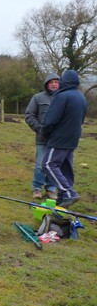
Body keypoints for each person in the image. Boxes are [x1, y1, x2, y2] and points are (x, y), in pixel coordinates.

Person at [41, 69, 87, 207]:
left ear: (64, 81)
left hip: (59, 138)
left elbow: (50, 120)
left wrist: (44, 133)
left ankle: (68, 193)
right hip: (73, 138)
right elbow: (82, 119)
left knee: (48, 164)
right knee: (65, 167)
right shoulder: (81, 97)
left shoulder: (62, 96)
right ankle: (62, 199)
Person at [24, 73, 59, 199]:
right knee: (40, 165)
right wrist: (40, 129)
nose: (54, 84)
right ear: (46, 84)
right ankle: (37, 188)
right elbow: (29, 115)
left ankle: (50, 189)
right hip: (42, 139)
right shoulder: (37, 98)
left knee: (54, 165)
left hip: (58, 140)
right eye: (51, 82)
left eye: (56, 82)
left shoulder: (64, 98)